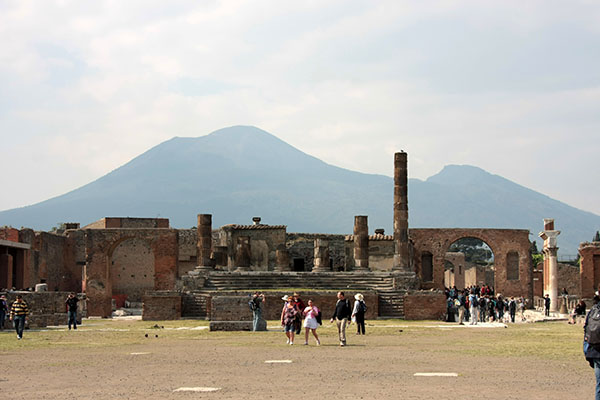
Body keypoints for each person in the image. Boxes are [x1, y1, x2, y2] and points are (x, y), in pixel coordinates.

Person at [584, 295, 600, 400]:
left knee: (599, 385)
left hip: (595, 352)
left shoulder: (593, 310)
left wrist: (588, 354)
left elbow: (586, 332)